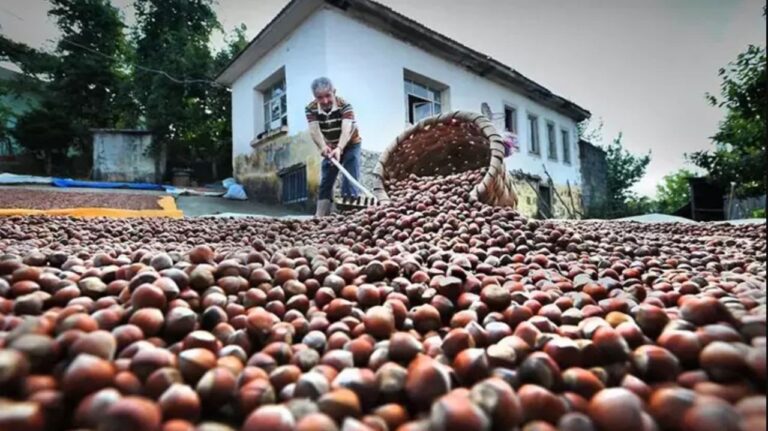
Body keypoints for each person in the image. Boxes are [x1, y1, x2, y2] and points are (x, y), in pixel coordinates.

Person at [306, 77, 363, 217]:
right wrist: (323, 147)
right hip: (330, 145)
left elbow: (346, 129)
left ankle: (349, 213)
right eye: (320, 97)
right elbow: (314, 131)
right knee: (326, 177)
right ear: (315, 97)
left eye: (328, 96)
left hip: (350, 143)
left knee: (350, 175)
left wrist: (340, 148)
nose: (325, 101)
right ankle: (319, 215)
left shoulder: (345, 105)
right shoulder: (310, 109)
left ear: (334, 92)